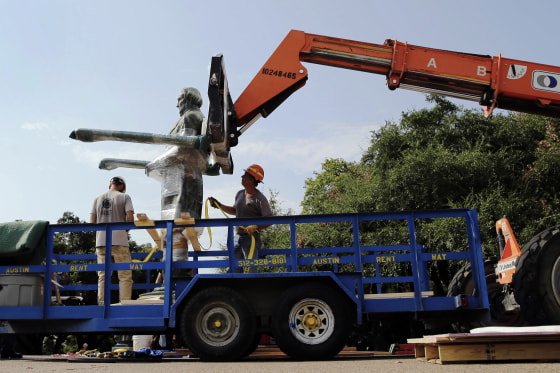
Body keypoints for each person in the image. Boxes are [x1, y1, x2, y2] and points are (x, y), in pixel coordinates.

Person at [209, 164, 272, 273]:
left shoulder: (260, 199)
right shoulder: (240, 194)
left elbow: (269, 220)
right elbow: (235, 211)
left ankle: (251, 289)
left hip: (251, 238)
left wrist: (256, 227)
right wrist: (219, 205)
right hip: (237, 237)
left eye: (245, 175)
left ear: (252, 180)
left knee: (250, 269)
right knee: (234, 268)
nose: (242, 177)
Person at [90, 176, 134, 305]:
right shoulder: (124, 197)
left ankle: (102, 304)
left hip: (101, 243)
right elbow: (130, 218)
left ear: (110, 185)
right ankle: (125, 305)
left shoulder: (97, 198)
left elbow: (92, 222)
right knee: (124, 275)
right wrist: (124, 231)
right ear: (121, 187)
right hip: (119, 241)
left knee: (103, 275)